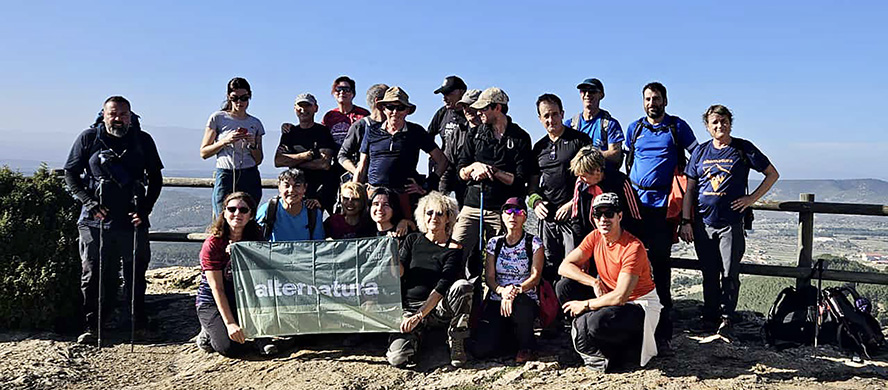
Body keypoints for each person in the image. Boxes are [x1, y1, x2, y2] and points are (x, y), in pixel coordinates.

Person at [64, 96, 164, 344]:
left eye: (123, 114)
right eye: (113, 114)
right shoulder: (89, 138)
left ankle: (137, 323)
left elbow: (156, 178)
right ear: (104, 114)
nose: (118, 118)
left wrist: (145, 210)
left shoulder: (143, 141)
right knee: (93, 273)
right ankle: (93, 325)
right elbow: (71, 174)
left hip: (133, 220)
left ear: (131, 116)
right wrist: (90, 203)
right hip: (92, 221)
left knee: (135, 273)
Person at [680, 104, 779, 338]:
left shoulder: (742, 148)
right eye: (714, 122)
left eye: (723, 121)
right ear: (707, 126)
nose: (719, 125)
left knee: (729, 273)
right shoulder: (700, 152)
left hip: (731, 223)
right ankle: (709, 317)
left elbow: (772, 174)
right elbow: (690, 189)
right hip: (703, 223)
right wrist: (686, 220)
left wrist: (751, 199)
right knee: (709, 273)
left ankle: (727, 317)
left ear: (730, 123)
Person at [624, 82, 698, 352]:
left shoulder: (677, 127)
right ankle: (634, 327)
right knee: (631, 266)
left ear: (665, 101)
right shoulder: (635, 128)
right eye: (647, 99)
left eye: (656, 98)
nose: (651, 103)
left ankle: (663, 333)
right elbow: (629, 160)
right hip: (634, 207)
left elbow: (697, 154)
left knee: (660, 268)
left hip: (662, 208)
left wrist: (684, 178)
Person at [558, 193, 662, 372]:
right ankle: (591, 341)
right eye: (598, 214)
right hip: (608, 295)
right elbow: (564, 266)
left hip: (638, 304)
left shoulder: (633, 247)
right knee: (564, 286)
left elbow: (621, 297)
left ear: (619, 216)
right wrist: (594, 283)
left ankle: (613, 348)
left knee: (596, 322)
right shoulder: (595, 237)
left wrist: (586, 304)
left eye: (609, 214)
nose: (603, 219)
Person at [454, 87, 535, 278]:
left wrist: (493, 172)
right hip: (472, 205)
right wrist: (475, 167)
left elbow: (520, 180)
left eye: (483, 109)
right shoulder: (474, 134)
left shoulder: (520, 137)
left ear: (497, 108)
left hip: (502, 209)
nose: (478, 113)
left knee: (500, 261)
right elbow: (460, 170)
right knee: (454, 251)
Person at [386, 192, 473, 368]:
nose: (434, 217)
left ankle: (456, 338)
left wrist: (420, 315)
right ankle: (414, 340)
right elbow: (399, 273)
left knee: (463, 286)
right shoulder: (412, 239)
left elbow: (443, 286)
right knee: (397, 359)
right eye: (429, 212)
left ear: (448, 218)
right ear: (422, 215)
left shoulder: (454, 249)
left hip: (438, 308)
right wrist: (393, 253)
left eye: (440, 213)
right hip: (409, 308)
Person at [470, 197, 543, 363]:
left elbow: (535, 277)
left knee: (521, 307)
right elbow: (489, 277)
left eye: (518, 212)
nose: (513, 216)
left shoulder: (534, 243)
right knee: (481, 350)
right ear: (502, 216)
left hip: (524, 297)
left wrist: (514, 291)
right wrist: (503, 292)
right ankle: (509, 339)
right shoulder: (494, 243)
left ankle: (527, 346)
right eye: (508, 211)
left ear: (525, 216)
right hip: (498, 298)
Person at [354, 86, 448, 214]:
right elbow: (362, 166)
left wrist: (426, 185)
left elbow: (442, 161)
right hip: (374, 195)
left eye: (400, 108)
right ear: (383, 109)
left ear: (407, 111)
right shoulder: (371, 131)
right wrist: (355, 195)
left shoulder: (416, 132)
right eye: (390, 107)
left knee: (405, 230)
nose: (395, 112)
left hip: (404, 196)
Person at [528, 93, 591, 282]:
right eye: (546, 116)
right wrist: (536, 202)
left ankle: (576, 309)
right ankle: (552, 310)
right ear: (540, 118)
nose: (551, 119)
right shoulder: (538, 148)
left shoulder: (580, 141)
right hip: (548, 219)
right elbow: (532, 187)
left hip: (574, 216)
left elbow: (591, 180)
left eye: (554, 114)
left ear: (562, 114)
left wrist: (573, 203)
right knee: (549, 266)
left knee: (574, 268)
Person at [194, 192, 264, 356]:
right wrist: (230, 323)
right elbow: (216, 288)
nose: (237, 214)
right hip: (212, 301)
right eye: (232, 209)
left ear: (251, 215)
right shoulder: (212, 244)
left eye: (243, 210)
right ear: (224, 213)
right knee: (229, 348)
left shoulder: (256, 240)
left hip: (243, 299)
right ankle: (208, 332)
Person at [200, 77, 265, 216]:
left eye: (244, 98)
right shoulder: (218, 118)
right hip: (226, 173)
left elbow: (259, 159)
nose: (240, 102)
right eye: (235, 98)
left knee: (248, 218)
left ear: (250, 97)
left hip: (250, 174)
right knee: (222, 218)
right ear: (228, 97)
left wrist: (252, 144)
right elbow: (204, 152)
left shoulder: (255, 123)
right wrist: (225, 141)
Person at [275, 93, 337, 213]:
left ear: (315, 108)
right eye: (300, 106)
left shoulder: (322, 132)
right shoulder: (289, 132)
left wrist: (293, 162)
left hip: (320, 190)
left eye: (307, 106)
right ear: (295, 108)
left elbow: (324, 164)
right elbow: (278, 161)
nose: (303, 110)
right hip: (296, 190)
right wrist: (306, 156)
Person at [568, 146, 643, 239]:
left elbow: (635, 215)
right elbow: (576, 218)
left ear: (597, 170)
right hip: (592, 239)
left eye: (584, 175)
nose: (582, 179)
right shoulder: (580, 184)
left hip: (621, 239)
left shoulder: (620, 181)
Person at [564, 78, 624, 169]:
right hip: (578, 178)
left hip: (603, 178)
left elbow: (615, 154)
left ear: (601, 95)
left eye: (592, 91)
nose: (587, 94)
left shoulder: (610, 124)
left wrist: (589, 156)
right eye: (584, 91)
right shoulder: (571, 124)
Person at [427, 76, 469, 199]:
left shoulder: (472, 114)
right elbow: (428, 136)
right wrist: (435, 156)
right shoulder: (442, 113)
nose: (445, 98)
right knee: (438, 201)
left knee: (464, 204)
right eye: (443, 94)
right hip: (445, 167)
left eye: (449, 93)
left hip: (465, 168)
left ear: (461, 92)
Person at [256, 168, 325, 241]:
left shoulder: (313, 212)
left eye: (297, 185)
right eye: (287, 185)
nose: (291, 190)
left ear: (305, 188)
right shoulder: (268, 209)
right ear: (279, 187)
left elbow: (318, 243)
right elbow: (256, 240)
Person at [338, 84, 389, 180]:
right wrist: (358, 173)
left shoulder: (395, 126)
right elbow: (342, 156)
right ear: (377, 101)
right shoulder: (361, 126)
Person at [322, 75, 371, 148]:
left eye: (346, 89)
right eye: (338, 89)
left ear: (352, 93)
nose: (342, 92)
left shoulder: (363, 115)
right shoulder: (329, 116)